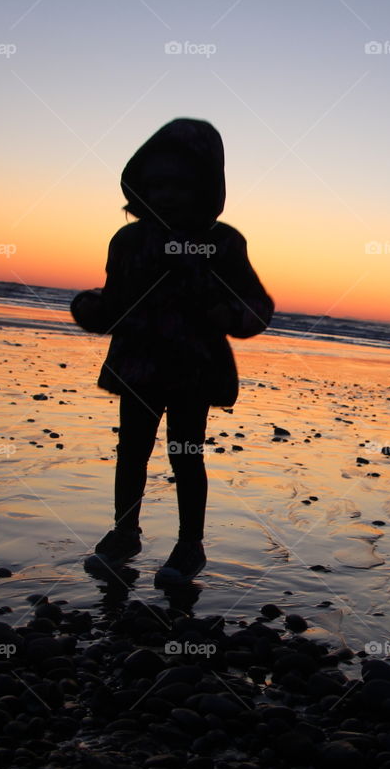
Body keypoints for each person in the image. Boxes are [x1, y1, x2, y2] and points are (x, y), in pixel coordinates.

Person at [70, 118, 274, 587]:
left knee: (186, 452)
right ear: (139, 186)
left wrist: (228, 314)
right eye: (155, 184)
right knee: (132, 450)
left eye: (178, 185)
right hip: (138, 364)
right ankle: (125, 534)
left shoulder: (223, 242)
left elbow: (255, 305)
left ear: (204, 186)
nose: (164, 194)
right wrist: (92, 310)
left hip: (193, 369)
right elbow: (115, 301)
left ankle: (189, 545)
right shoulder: (128, 241)